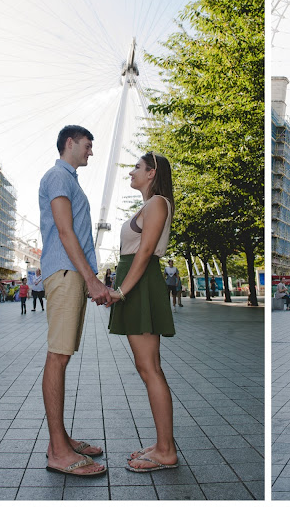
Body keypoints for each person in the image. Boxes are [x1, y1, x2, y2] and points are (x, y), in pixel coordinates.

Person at [39, 125, 110, 477]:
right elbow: (65, 231)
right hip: (66, 273)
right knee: (58, 356)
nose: (91, 152)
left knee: (61, 356)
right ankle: (57, 451)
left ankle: (62, 440)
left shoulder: (69, 180)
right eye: (87, 145)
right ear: (70, 143)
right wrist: (91, 279)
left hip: (70, 276)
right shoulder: (57, 177)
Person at [106, 152, 178, 472]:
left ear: (152, 173)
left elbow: (145, 251)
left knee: (150, 368)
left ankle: (166, 450)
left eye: (137, 167)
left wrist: (122, 291)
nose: (131, 172)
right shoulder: (149, 204)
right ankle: (163, 444)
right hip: (136, 283)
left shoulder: (157, 203)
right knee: (147, 366)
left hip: (140, 284)